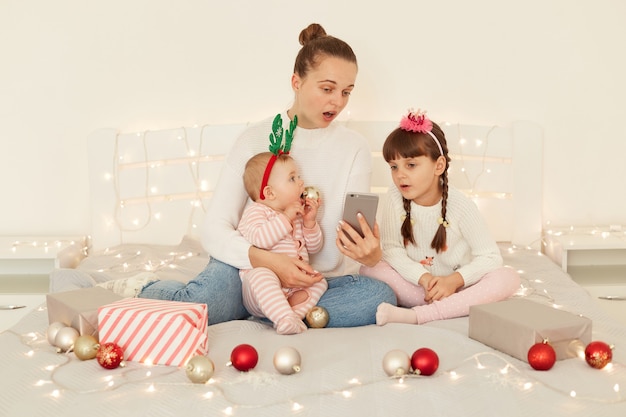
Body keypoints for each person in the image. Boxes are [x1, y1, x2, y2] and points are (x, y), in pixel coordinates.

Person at [137, 23, 396, 326]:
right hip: (250, 270)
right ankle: (147, 289)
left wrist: (369, 254)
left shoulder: (355, 148)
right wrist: (270, 262)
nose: (337, 101)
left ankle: (277, 311)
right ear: (296, 82)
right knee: (209, 298)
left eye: (346, 92)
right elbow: (215, 229)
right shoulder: (254, 139)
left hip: (310, 281)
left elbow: (337, 254)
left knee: (378, 296)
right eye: (327, 89)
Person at [361, 109, 520, 325]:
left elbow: (490, 257)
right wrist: (424, 278)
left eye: (411, 165)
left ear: (439, 165)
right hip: (419, 284)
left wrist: (454, 281)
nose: (400, 175)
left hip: (460, 285)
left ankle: (422, 314)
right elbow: (391, 250)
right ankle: (452, 305)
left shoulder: (460, 205)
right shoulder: (394, 196)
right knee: (370, 268)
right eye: (393, 167)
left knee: (508, 278)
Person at [238, 140, 328, 334]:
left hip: (292, 288)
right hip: (259, 290)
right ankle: (283, 316)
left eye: (299, 177)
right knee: (261, 275)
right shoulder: (256, 212)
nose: (301, 182)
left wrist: (310, 223)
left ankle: (291, 316)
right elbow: (260, 239)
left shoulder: (295, 216)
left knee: (319, 281)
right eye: (292, 178)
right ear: (269, 193)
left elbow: (313, 248)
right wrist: (286, 217)